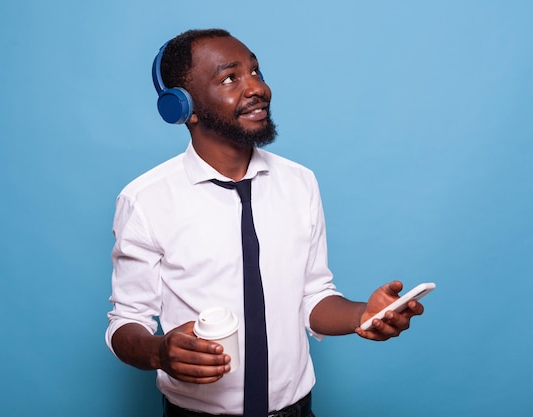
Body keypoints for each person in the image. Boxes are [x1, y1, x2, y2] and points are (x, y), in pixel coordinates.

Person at [105, 29, 425, 417]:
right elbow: (127, 322)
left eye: (256, 71)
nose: (257, 87)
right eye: (229, 78)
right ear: (182, 108)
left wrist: (363, 314)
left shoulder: (300, 182)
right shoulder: (145, 200)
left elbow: (314, 296)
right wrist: (159, 351)